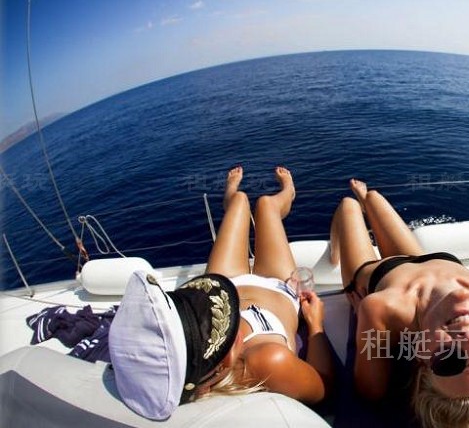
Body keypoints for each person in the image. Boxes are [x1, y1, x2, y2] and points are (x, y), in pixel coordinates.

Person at [109, 166, 334, 420]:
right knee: (266, 205)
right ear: (224, 362)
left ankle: (232, 195)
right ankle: (287, 192)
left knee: (239, 201)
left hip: (227, 281)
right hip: (277, 287)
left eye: (195, 299)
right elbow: (323, 387)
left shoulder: (201, 357)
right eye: (226, 321)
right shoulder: (268, 360)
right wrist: (315, 324)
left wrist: (212, 297)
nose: (236, 312)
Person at [329, 179, 469, 428]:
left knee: (348, 206)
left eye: (449, 358)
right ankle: (366, 199)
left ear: (421, 359)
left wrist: (362, 312)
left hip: (379, 274)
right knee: (373, 197)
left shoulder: (384, 308)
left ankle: (336, 247)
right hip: (429, 259)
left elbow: (370, 389)